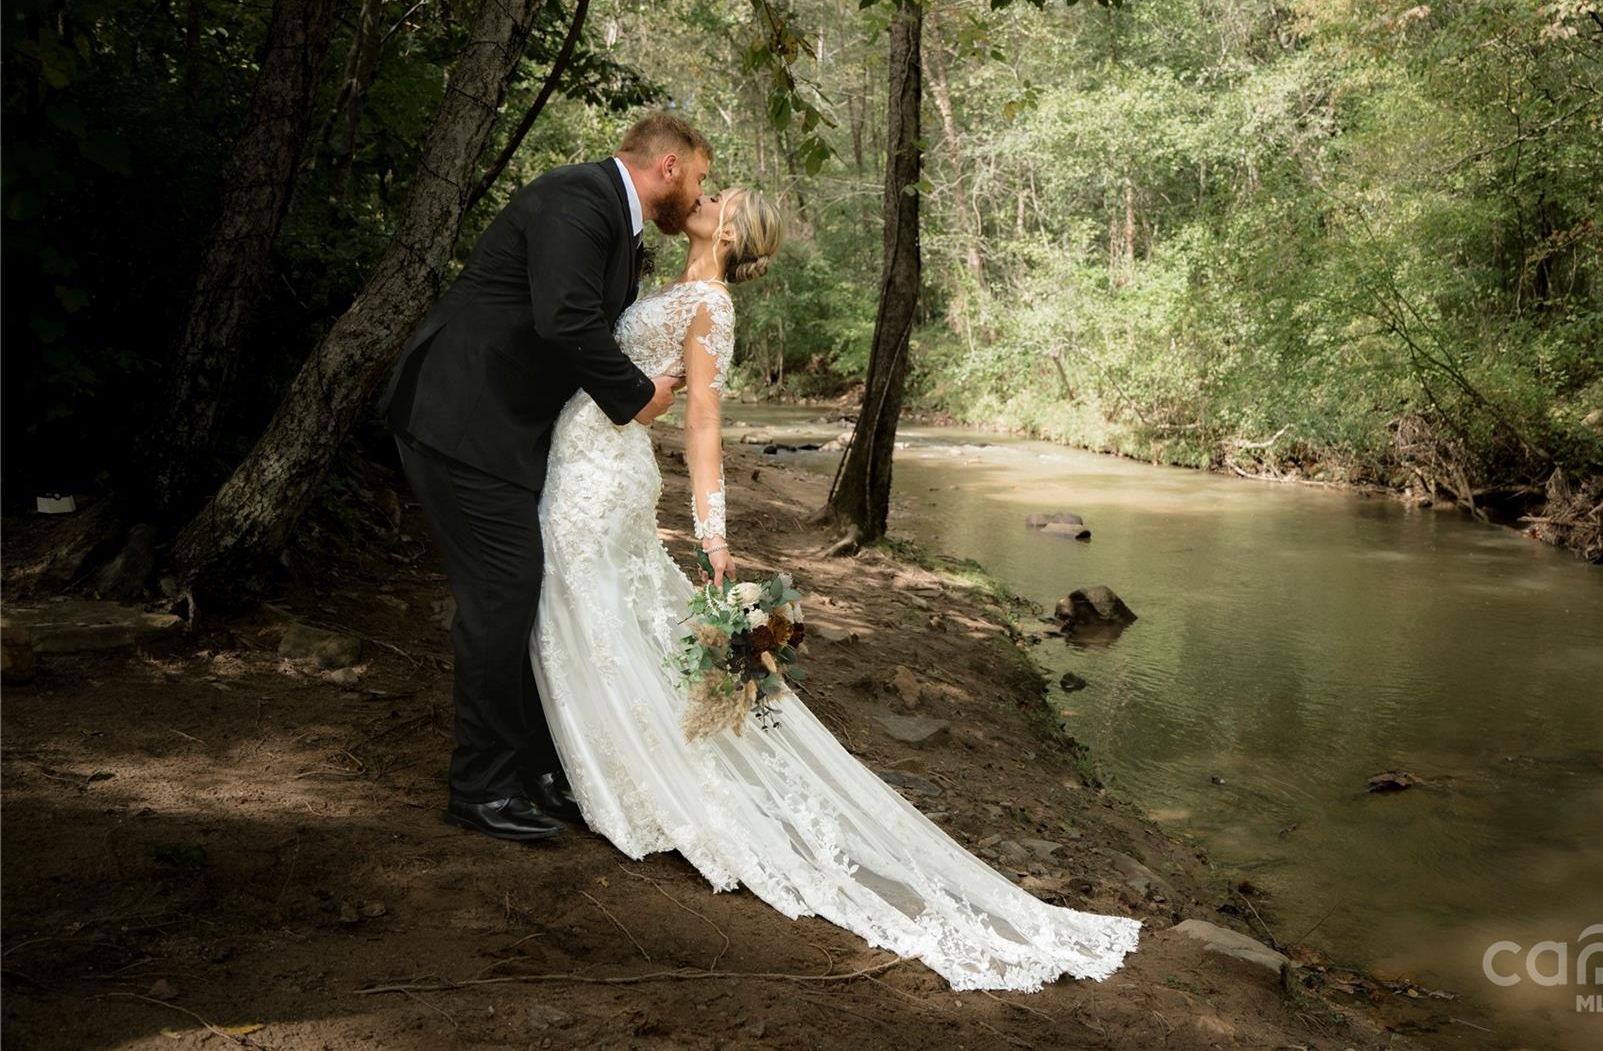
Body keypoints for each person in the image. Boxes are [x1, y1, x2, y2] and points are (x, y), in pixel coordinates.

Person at [531, 185, 1146, 992]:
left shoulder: (710, 306)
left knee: (597, 604)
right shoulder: (668, 286)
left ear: (734, 232)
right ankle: (587, 761)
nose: (705, 195)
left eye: (722, 196)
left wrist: (714, 533)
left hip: (606, 473)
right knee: (591, 610)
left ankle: (625, 777)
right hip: (580, 453)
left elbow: (705, 421)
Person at [380, 111, 711, 842]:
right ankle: (480, 787)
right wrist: (637, 397)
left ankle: (531, 769)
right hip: (458, 417)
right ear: (670, 166)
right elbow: (564, 319)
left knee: (526, 591)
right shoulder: (578, 198)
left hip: (502, 432)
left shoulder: (616, 227)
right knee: (503, 593)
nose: (698, 195)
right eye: (701, 179)